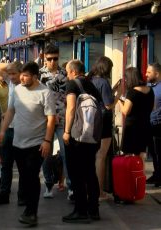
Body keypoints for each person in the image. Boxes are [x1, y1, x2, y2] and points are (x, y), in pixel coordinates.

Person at [0, 62, 56, 227]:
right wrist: (2, 131)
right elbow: (11, 111)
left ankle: (31, 212)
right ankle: (29, 209)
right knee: (24, 177)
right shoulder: (17, 90)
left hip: (36, 144)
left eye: (26, 75)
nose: (21, 78)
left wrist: (47, 141)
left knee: (32, 177)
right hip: (18, 143)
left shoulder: (45, 93)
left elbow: (51, 119)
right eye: (21, 74)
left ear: (35, 76)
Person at [62, 60, 102, 223]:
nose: (66, 74)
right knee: (90, 172)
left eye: (67, 71)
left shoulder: (72, 85)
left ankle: (80, 211)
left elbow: (71, 109)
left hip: (78, 137)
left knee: (76, 174)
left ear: (72, 71)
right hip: (93, 136)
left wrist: (66, 131)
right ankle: (94, 210)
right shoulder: (91, 85)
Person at [0, 61, 25, 206]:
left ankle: (22, 196)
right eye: (9, 74)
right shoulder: (11, 83)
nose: (10, 76)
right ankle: (4, 194)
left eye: (13, 74)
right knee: (6, 165)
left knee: (23, 166)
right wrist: (3, 130)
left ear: (21, 73)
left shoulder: (26, 86)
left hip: (22, 130)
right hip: (9, 129)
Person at [87, 56, 121, 200]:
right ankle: (99, 191)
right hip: (104, 121)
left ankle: (91, 189)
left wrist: (113, 90)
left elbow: (100, 97)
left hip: (91, 120)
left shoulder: (91, 80)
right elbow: (108, 105)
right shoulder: (103, 82)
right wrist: (118, 96)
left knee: (93, 156)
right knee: (101, 156)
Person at [39, 44, 70, 199]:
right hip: (46, 120)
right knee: (47, 154)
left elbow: (69, 98)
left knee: (66, 153)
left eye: (55, 59)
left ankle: (70, 186)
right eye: (49, 59)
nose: (52, 62)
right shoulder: (39, 75)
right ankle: (49, 185)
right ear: (45, 58)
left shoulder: (65, 74)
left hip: (63, 119)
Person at [119, 67, 154, 161]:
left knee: (131, 156)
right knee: (141, 155)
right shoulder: (150, 90)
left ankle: (132, 175)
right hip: (145, 126)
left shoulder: (132, 92)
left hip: (132, 128)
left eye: (126, 78)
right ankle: (140, 175)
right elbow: (153, 107)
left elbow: (126, 111)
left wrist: (119, 102)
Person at [147, 63, 161, 187]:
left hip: (158, 124)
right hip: (149, 124)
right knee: (153, 152)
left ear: (157, 74)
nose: (146, 74)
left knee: (159, 151)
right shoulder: (148, 86)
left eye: (149, 72)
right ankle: (157, 174)